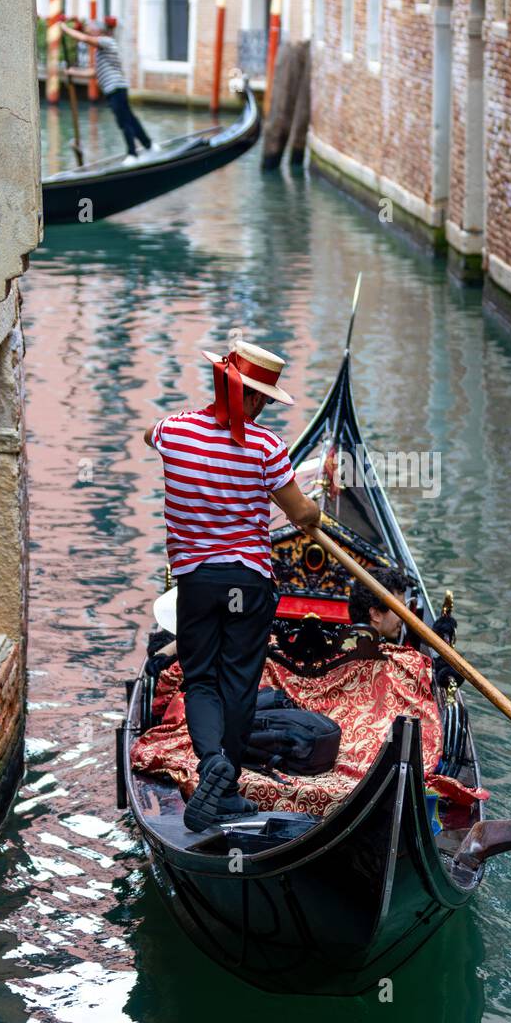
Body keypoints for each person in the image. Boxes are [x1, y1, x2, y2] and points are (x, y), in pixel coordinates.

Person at [143, 339, 320, 831]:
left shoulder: (173, 431)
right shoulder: (266, 447)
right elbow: (300, 512)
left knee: (200, 679)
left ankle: (211, 767)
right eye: (262, 397)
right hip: (248, 582)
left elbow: (147, 436)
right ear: (257, 398)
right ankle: (229, 783)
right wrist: (315, 517)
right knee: (239, 681)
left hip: (197, 583)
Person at [59, 16, 152, 163]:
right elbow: (94, 73)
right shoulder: (100, 51)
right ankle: (148, 145)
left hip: (116, 88)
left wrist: (65, 29)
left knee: (124, 121)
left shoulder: (107, 42)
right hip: (114, 89)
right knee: (130, 119)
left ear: (98, 31)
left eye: (91, 31)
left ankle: (132, 154)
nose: (89, 33)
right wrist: (73, 72)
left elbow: (85, 38)